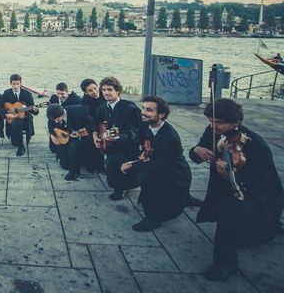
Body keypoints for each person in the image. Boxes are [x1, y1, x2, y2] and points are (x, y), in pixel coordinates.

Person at [189, 99, 284, 281]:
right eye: (211, 120)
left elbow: (260, 183)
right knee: (229, 217)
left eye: (219, 122)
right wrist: (197, 150)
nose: (213, 126)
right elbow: (197, 155)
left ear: (236, 122)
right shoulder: (213, 131)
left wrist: (231, 176)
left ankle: (226, 264)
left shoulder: (256, 145)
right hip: (229, 188)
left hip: (258, 195)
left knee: (228, 210)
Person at [121, 96, 192, 231]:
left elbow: (160, 165)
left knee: (144, 177)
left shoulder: (170, 138)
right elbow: (137, 142)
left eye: (149, 110)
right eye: (143, 108)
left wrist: (132, 164)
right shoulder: (145, 125)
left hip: (174, 174)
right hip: (156, 163)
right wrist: (141, 152)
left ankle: (153, 219)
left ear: (161, 114)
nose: (143, 112)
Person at [92, 77, 141, 200]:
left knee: (112, 162)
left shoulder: (130, 108)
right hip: (107, 145)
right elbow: (95, 123)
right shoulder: (103, 106)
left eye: (110, 89)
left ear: (118, 91)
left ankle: (121, 188)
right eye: (103, 89)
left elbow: (133, 132)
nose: (106, 92)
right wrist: (95, 135)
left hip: (126, 147)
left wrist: (116, 137)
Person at [46, 104, 94, 181]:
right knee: (64, 164)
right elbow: (50, 125)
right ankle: (76, 159)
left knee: (73, 147)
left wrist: (87, 129)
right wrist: (52, 135)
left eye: (57, 119)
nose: (55, 121)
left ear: (62, 114)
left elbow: (94, 123)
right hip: (67, 136)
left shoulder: (79, 111)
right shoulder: (53, 116)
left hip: (82, 137)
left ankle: (74, 172)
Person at [0, 74, 39, 157]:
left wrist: (35, 110)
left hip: (25, 117)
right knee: (14, 143)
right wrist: (6, 114)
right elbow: (0, 106)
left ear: (21, 83)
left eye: (18, 84)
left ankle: (21, 147)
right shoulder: (6, 93)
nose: (16, 86)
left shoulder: (27, 94)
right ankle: (17, 141)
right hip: (12, 118)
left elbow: (32, 108)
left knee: (16, 124)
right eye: (14, 84)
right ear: (10, 83)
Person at [47, 83, 81, 152]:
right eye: (58, 93)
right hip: (57, 124)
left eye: (62, 94)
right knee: (53, 148)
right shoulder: (53, 98)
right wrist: (52, 134)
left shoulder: (76, 99)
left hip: (70, 124)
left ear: (67, 92)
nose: (60, 96)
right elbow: (50, 118)